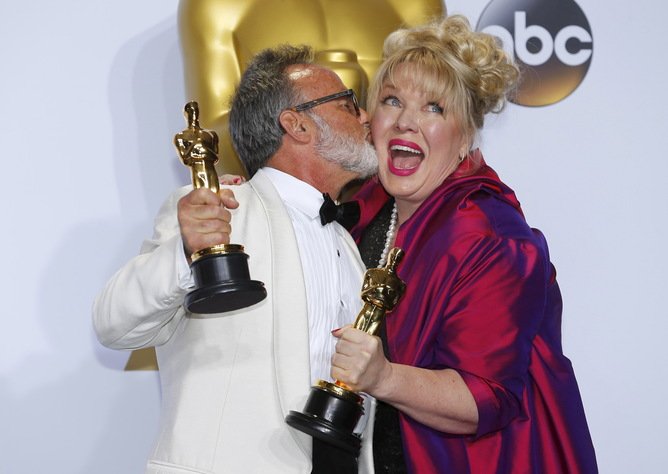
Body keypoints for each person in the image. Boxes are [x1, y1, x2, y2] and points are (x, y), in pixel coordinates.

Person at [330, 15, 599, 473]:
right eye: (392, 100)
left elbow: (485, 397)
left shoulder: (491, 237)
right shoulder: (365, 207)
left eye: (434, 108)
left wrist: (383, 377)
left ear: (466, 138)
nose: (406, 123)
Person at [93, 44, 378, 474]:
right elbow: (113, 324)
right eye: (348, 104)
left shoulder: (347, 243)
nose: (365, 118)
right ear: (297, 124)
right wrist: (185, 251)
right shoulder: (216, 213)